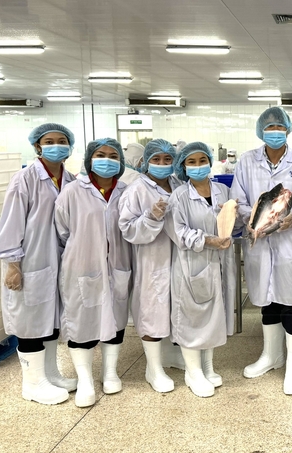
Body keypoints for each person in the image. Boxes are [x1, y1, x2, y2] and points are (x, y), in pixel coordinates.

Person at [230, 106, 292, 395]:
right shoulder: (246, 162)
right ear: (261, 132)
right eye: (269, 129)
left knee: (290, 301)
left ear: (287, 130)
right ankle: (271, 355)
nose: (274, 133)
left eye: (279, 128)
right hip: (259, 243)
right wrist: (257, 219)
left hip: (289, 243)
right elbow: (237, 201)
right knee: (266, 299)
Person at [0, 123, 77, 405]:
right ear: (38, 146)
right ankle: (33, 383)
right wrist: (12, 263)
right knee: (30, 323)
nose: (56, 145)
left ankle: (51, 373)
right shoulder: (24, 179)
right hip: (29, 262)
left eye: (61, 140)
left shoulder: (71, 179)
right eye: (49, 141)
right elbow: (11, 222)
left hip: (58, 262)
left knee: (50, 321)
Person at [54, 138, 132, 407]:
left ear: (121, 161)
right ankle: (85, 379)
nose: (107, 160)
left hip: (119, 265)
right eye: (101, 154)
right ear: (90, 159)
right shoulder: (73, 192)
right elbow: (63, 231)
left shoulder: (127, 191)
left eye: (113, 155)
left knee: (117, 318)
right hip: (82, 266)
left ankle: (110, 372)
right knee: (81, 323)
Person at [166, 142, 238, 398]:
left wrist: (236, 217)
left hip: (218, 263)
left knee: (214, 315)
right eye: (191, 162)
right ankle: (192, 371)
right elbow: (179, 232)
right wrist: (208, 240)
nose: (198, 166)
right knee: (192, 318)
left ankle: (207, 365)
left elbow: (233, 225)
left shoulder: (222, 190)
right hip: (192, 265)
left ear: (210, 162)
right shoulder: (179, 197)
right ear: (183, 166)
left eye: (202, 160)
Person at [118, 139, 181, 393]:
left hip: (179, 258)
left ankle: (170, 356)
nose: (163, 165)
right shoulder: (136, 190)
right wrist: (151, 217)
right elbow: (127, 229)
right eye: (157, 160)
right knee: (152, 311)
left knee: (176, 309)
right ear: (145, 162)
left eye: (168, 160)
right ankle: (153, 369)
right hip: (152, 259)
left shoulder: (179, 184)